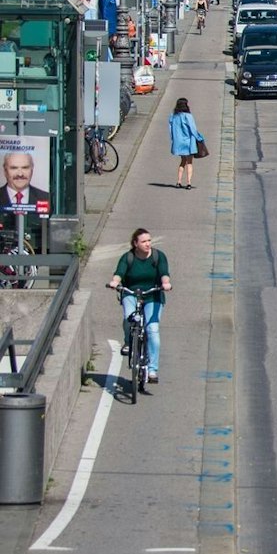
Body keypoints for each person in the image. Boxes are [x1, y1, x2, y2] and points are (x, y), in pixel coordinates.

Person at [106, 226, 171, 383]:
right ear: (135, 243)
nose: (148, 244)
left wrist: (166, 283)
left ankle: (152, 370)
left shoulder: (158, 256)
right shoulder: (128, 257)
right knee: (130, 317)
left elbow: (164, 273)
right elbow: (119, 272)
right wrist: (115, 282)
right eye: (144, 241)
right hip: (131, 293)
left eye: (149, 240)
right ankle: (129, 341)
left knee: (152, 329)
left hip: (152, 294)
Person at [170, 98, 205, 190]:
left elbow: (171, 130)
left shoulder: (173, 116)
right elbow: (193, 129)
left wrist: (173, 140)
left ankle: (178, 181)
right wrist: (199, 138)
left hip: (178, 142)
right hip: (188, 142)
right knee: (189, 162)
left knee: (182, 161)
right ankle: (189, 182)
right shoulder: (188, 116)